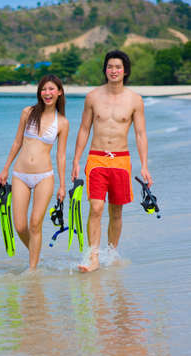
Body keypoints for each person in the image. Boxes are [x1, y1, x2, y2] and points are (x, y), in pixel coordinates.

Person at [71, 50, 152, 272]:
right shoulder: (92, 97)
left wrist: (144, 166)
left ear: (125, 71)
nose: (113, 70)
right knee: (96, 207)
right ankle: (93, 257)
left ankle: (111, 253)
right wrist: (76, 159)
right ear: (105, 70)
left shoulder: (134, 100)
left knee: (116, 212)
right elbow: (84, 129)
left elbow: (140, 134)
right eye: (110, 67)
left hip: (121, 160)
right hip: (96, 158)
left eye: (118, 67)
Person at [0, 74, 69, 270]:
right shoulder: (27, 112)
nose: (47, 93)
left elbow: (61, 156)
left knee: (35, 223)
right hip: (20, 174)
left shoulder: (62, 122)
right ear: (40, 92)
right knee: (20, 226)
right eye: (44, 89)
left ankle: (32, 270)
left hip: (44, 177)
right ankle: (36, 254)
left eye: (51, 89)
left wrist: (62, 186)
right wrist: (5, 168)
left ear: (59, 92)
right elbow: (17, 142)